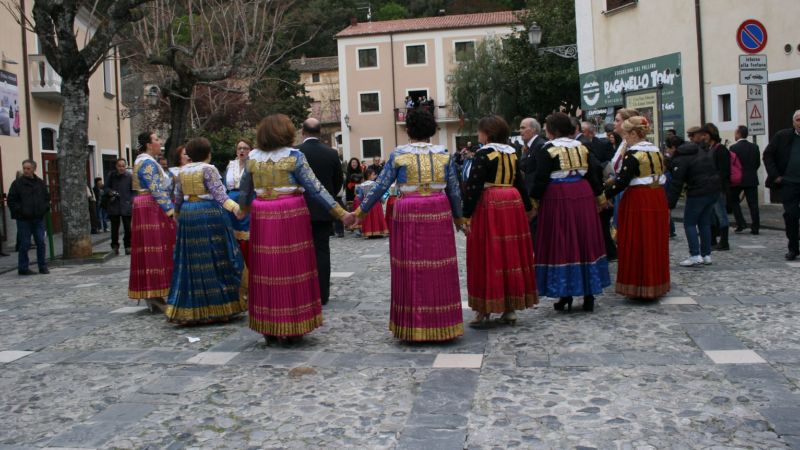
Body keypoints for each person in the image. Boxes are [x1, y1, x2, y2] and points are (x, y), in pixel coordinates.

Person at [238, 114, 354, 344]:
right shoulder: (294, 157)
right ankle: (293, 324)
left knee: (266, 269)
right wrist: (341, 213)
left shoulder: (252, 159)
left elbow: (244, 192)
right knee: (292, 267)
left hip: (263, 215)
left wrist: (242, 210)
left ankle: (268, 327)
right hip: (290, 214)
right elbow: (316, 189)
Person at [354, 108, 465, 342]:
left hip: (409, 210)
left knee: (410, 266)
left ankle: (413, 325)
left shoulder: (398, 154)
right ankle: (442, 323)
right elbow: (454, 189)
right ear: (432, 129)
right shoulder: (443, 153)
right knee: (440, 266)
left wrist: (360, 212)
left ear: (408, 130)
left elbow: (380, 185)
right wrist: (459, 218)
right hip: (438, 208)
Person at [462, 116, 538, 326]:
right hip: (511, 202)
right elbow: (520, 183)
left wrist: (465, 215)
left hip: (491, 204)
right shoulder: (512, 153)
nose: (478, 135)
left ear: (487, 133)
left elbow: (474, 186)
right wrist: (529, 207)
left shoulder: (484, 154)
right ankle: (509, 308)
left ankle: (484, 310)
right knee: (510, 254)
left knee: (487, 253)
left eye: (480, 131)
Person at [531, 112, 610, 312]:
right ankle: (588, 293)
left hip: (558, 196)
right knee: (584, 239)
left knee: (562, 240)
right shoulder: (582, 146)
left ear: (551, 130)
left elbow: (541, 179)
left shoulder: (546, 149)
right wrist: (600, 198)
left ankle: (565, 292)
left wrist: (532, 203)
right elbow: (593, 174)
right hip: (582, 193)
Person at [166, 137, 247, 325]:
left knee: (190, 260)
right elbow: (220, 195)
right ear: (208, 154)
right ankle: (221, 307)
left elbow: (178, 198)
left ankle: (190, 309)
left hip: (187, 215)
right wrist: (237, 209)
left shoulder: (182, 171)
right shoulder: (208, 169)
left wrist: (177, 215)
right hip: (208, 214)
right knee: (215, 258)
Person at [604, 116, 670, 299]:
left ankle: (639, 283)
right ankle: (656, 282)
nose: (624, 138)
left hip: (639, 199)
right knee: (654, 239)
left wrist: (604, 196)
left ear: (633, 133)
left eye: (626, 134)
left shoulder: (633, 153)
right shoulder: (656, 150)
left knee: (637, 239)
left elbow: (622, 182)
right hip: (657, 196)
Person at [297, 118, 344, 306]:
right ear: (320, 132)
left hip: (299, 209)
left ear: (303, 132)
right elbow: (338, 181)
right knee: (322, 251)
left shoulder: (296, 152)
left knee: (300, 251)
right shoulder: (331, 154)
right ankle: (323, 293)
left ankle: (304, 291)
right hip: (324, 210)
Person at [129, 132, 176, 313]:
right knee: (155, 248)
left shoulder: (144, 161)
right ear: (149, 144)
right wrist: (171, 211)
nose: (160, 142)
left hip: (145, 204)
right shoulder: (147, 162)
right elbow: (156, 188)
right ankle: (155, 293)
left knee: (151, 248)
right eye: (156, 139)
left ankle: (154, 294)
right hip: (150, 205)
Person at [666, 136, 721, 266]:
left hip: (698, 191)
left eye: (668, 148)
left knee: (689, 223)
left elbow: (676, 184)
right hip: (713, 189)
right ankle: (706, 254)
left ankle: (695, 254)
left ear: (674, 147)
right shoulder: (698, 150)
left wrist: (669, 204)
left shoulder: (681, 158)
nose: (668, 152)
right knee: (704, 222)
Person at [763, 109, 800, 260]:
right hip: (789, 183)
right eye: (798, 119)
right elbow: (768, 154)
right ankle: (793, 247)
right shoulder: (782, 136)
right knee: (791, 215)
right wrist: (776, 175)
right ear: (793, 122)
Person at [7, 159, 49, 275]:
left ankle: (42, 266)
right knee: (24, 244)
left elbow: (46, 198)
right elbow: (11, 200)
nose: (25, 171)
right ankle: (23, 268)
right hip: (24, 219)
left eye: (28, 168)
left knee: (40, 242)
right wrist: (19, 212)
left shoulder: (40, 183)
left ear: (34, 169)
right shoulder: (17, 184)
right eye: (24, 168)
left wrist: (44, 209)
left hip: (38, 218)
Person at [224, 138, 253, 257]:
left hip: (247, 201)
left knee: (246, 234)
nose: (242, 150)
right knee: (232, 234)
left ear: (250, 151)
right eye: (239, 148)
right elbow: (225, 186)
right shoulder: (230, 165)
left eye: (245, 148)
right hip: (230, 203)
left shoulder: (253, 165)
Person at [729, 125, 761, 235]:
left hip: (738, 179)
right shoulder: (754, 147)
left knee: (734, 201)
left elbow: (732, 165)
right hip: (751, 178)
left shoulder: (733, 148)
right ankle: (755, 227)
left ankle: (740, 222)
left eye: (735, 133)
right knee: (753, 204)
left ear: (738, 134)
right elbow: (757, 163)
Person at [106, 158, 133, 255]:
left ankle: (128, 246)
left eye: (123, 166)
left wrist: (131, 201)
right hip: (114, 205)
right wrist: (110, 192)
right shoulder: (111, 176)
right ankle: (115, 246)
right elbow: (106, 187)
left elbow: (133, 191)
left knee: (127, 228)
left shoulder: (129, 177)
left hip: (126, 205)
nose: (121, 168)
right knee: (114, 228)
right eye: (119, 166)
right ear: (116, 166)